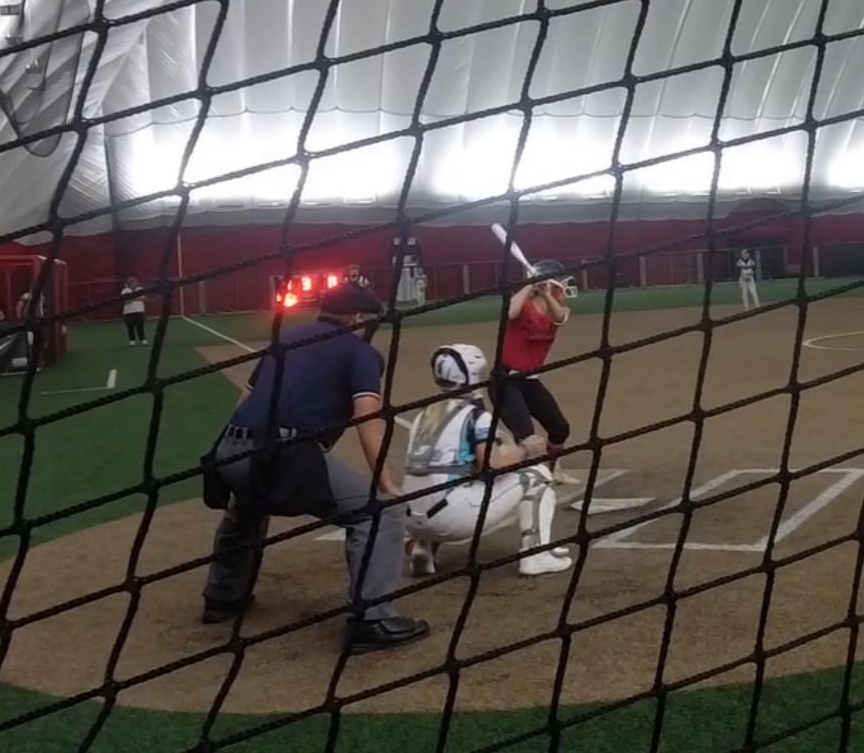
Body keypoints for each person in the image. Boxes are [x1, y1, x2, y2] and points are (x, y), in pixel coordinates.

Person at [198, 283, 429, 654]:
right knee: (379, 515)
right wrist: (386, 482)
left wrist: (234, 453)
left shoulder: (287, 339)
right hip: (282, 452)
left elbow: (246, 398)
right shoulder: (359, 352)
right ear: (357, 317)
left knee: (247, 506)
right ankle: (371, 620)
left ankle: (222, 599)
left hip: (228, 448)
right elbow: (367, 419)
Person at [401, 344, 573, 579]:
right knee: (537, 474)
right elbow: (491, 465)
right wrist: (525, 450)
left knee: (447, 478)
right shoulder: (475, 416)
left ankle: (422, 548)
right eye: (479, 373)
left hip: (412, 516)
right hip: (452, 517)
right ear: (469, 375)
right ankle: (536, 555)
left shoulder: (424, 415)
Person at [493, 261, 579, 486]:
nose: (564, 288)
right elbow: (509, 311)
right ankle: (519, 479)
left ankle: (553, 470)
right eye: (560, 283)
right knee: (527, 436)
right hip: (505, 381)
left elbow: (560, 318)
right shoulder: (523, 305)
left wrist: (546, 293)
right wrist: (530, 284)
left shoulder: (558, 309)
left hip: (530, 382)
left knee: (560, 428)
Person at [120, 277, 148, 345]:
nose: (134, 284)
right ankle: (132, 340)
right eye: (132, 282)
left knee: (140, 326)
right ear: (129, 283)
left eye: (135, 282)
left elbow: (143, 298)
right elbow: (126, 301)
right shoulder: (125, 291)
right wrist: (136, 298)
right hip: (128, 312)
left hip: (139, 311)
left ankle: (142, 339)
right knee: (130, 327)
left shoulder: (140, 289)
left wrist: (132, 298)